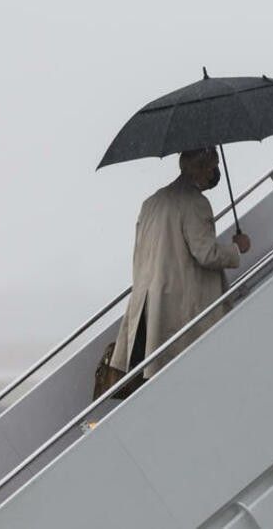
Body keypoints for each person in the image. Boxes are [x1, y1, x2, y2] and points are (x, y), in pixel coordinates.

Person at [109, 147, 250, 395]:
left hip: (146, 305)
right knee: (182, 383)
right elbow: (206, 253)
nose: (215, 173)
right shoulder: (196, 203)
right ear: (203, 169)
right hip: (178, 310)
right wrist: (236, 249)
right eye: (212, 166)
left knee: (150, 382)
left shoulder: (151, 203)